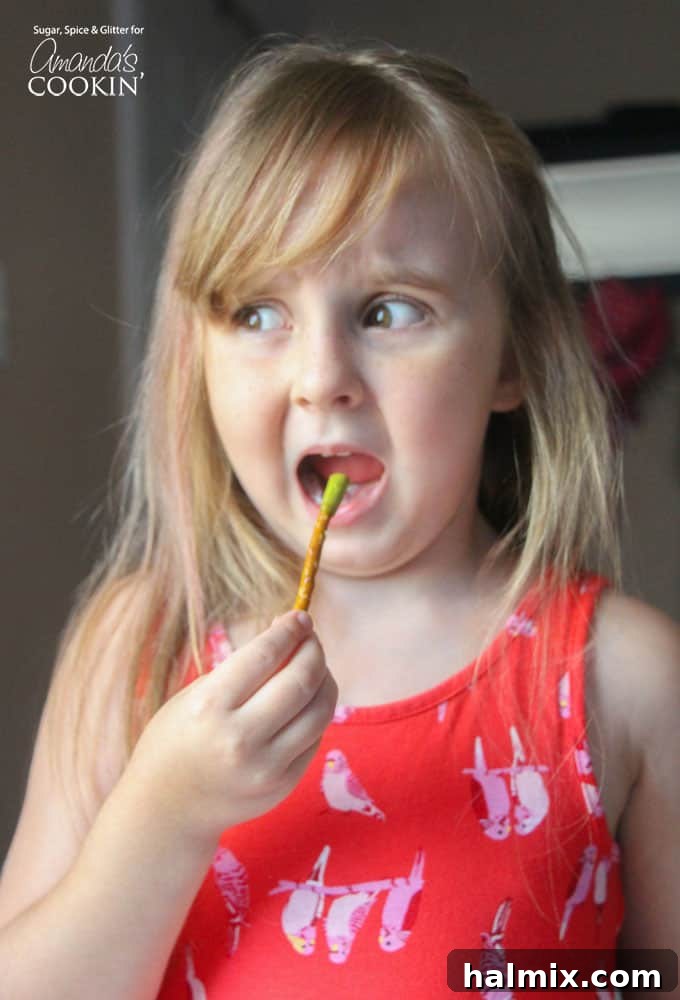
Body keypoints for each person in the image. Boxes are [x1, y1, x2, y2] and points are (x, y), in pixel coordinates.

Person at [1, 37, 678, 1000]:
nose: (321, 379)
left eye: (390, 311)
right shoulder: (139, 653)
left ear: (512, 358)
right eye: (258, 313)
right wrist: (165, 818)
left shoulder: (624, 679)